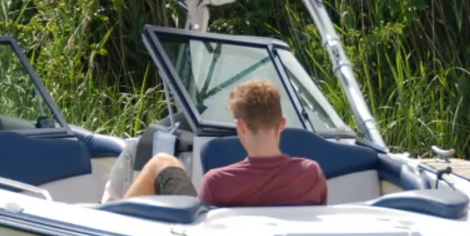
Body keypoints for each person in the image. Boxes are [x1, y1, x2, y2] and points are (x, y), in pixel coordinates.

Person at [123, 79, 327, 206]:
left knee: (162, 162)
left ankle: (112, 220)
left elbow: (200, 231)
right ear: (282, 124)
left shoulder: (218, 183)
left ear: (241, 127)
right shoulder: (310, 174)